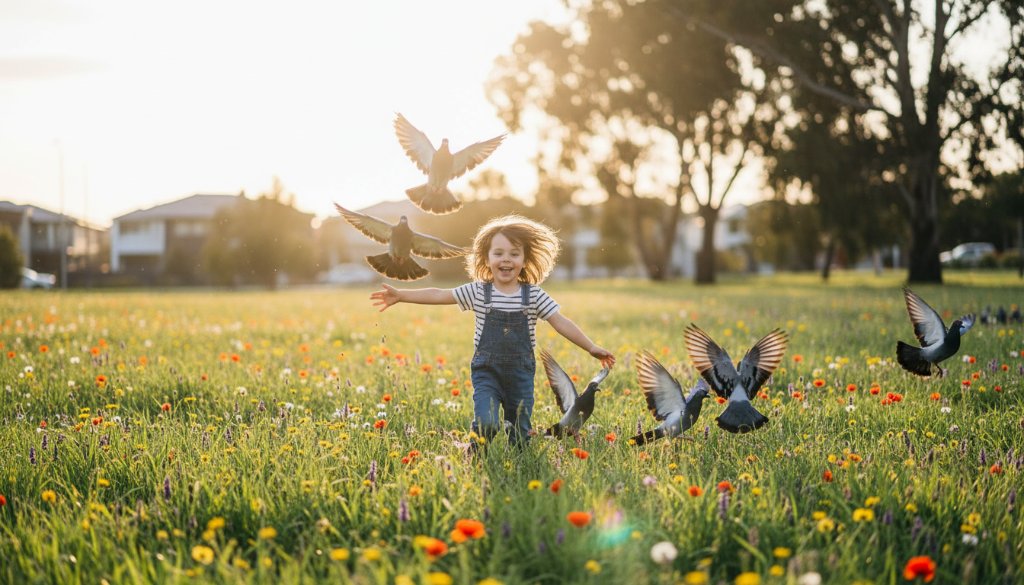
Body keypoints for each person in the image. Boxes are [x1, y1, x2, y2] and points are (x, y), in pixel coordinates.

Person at [370, 214, 615, 447]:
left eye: (514, 254)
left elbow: (560, 321)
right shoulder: (478, 292)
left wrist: (591, 347)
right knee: (487, 423)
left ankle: (520, 463)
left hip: (520, 375)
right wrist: (401, 295)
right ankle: (476, 452)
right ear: (486, 259)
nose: (506, 259)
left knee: (520, 434)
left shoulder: (533, 295)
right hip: (486, 371)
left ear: (524, 260)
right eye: (498, 253)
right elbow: (440, 294)